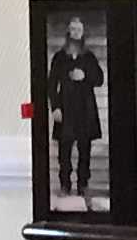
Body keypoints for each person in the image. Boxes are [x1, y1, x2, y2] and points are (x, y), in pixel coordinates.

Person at [42, 18, 107, 206]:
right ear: (68, 32)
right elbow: (51, 85)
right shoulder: (59, 57)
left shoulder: (89, 57)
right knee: (64, 151)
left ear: (83, 32)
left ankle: (83, 185)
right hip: (66, 109)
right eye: (73, 29)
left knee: (85, 150)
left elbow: (99, 79)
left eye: (79, 29)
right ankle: (65, 184)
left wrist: (85, 75)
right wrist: (55, 107)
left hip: (85, 109)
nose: (76, 32)